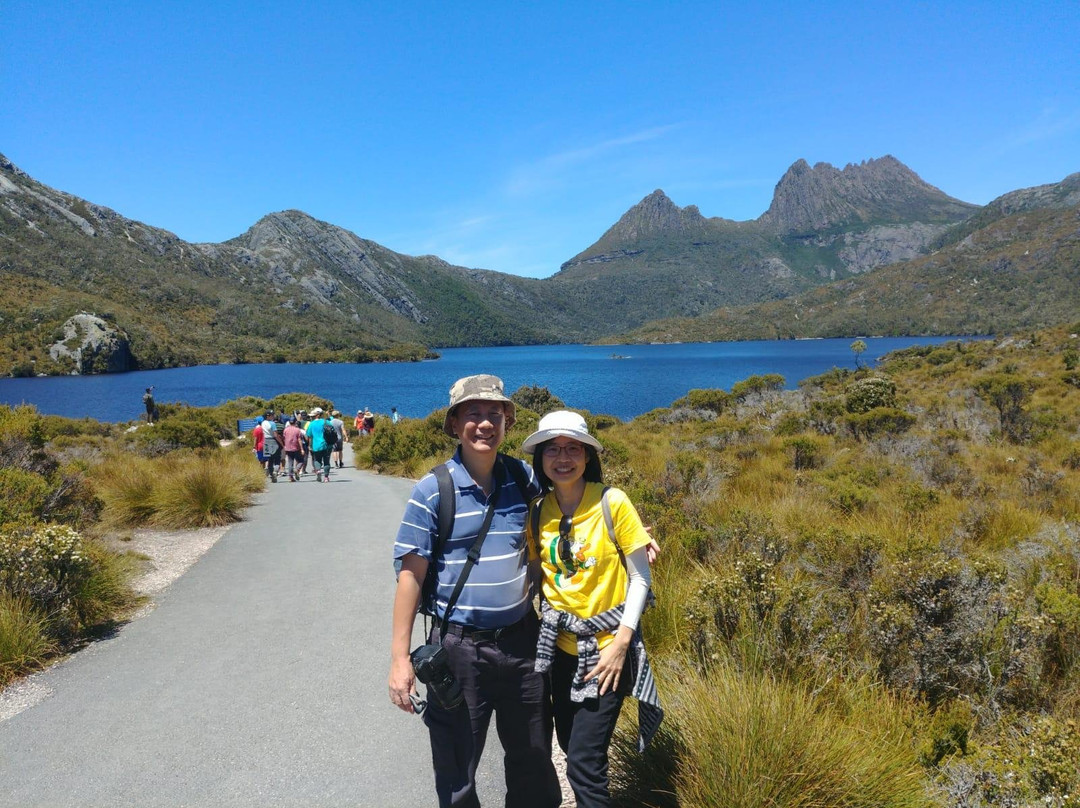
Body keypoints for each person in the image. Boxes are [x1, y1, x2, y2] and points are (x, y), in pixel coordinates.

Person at [389, 374, 561, 808]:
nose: (485, 424)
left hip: (523, 643)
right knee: (457, 769)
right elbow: (410, 576)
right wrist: (399, 660)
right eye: (474, 414)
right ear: (454, 424)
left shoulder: (524, 479)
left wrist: (629, 540)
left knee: (534, 759)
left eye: (495, 415)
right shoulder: (433, 490)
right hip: (459, 649)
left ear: (507, 423)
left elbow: (571, 512)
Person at [521, 410, 663, 808]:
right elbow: (537, 578)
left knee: (584, 764)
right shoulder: (537, 511)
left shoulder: (611, 502)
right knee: (569, 744)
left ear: (587, 456)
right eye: (553, 449)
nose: (562, 458)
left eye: (572, 449)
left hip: (607, 652)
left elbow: (640, 579)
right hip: (560, 653)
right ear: (541, 458)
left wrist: (621, 644)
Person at [305, 407, 332, 483]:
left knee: (317, 460)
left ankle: (319, 471)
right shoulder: (326, 422)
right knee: (326, 461)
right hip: (327, 445)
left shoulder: (311, 424)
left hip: (316, 445)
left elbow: (309, 436)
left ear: (316, 415)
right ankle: (326, 477)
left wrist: (310, 445)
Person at [282, 417, 305, 482]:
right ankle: (297, 469)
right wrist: (302, 449)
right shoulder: (297, 430)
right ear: (295, 422)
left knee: (290, 462)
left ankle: (290, 477)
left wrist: (285, 446)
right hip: (296, 447)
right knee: (301, 460)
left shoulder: (285, 430)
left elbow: (284, 438)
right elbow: (299, 439)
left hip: (288, 448)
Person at [261, 412, 282, 482]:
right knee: (277, 458)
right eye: (272, 415)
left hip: (265, 441)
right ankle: (275, 471)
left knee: (269, 459)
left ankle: (271, 474)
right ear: (268, 416)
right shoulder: (272, 423)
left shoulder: (263, 423)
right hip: (272, 440)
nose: (273, 416)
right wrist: (281, 443)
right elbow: (276, 435)